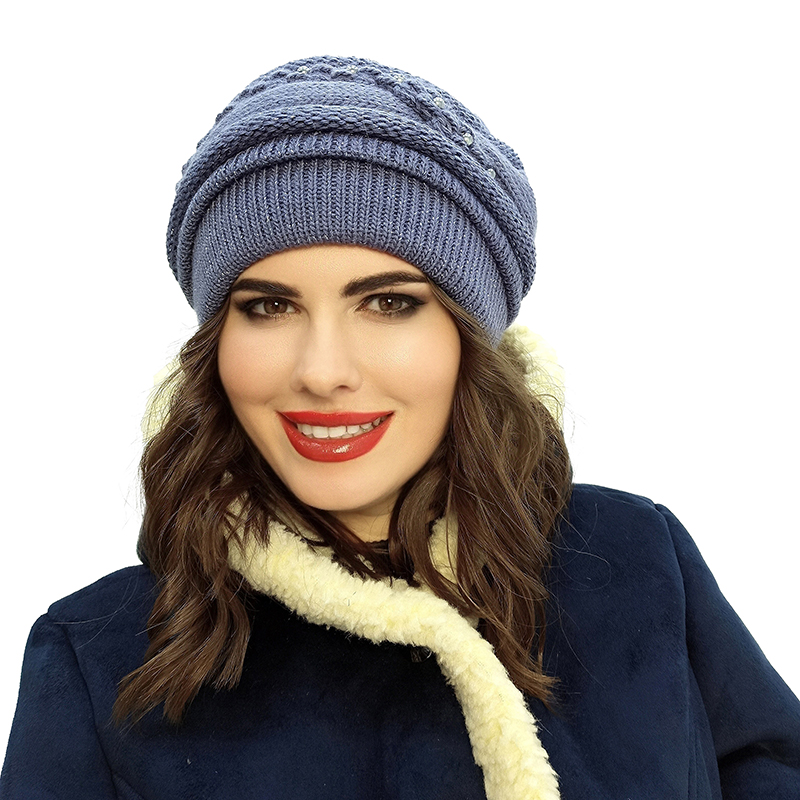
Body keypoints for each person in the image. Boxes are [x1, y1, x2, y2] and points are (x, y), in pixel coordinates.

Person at [1, 55, 799, 800]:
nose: (323, 371)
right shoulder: (95, 659)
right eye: (269, 306)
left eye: (388, 303)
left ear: (467, 340)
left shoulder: (636, 561)